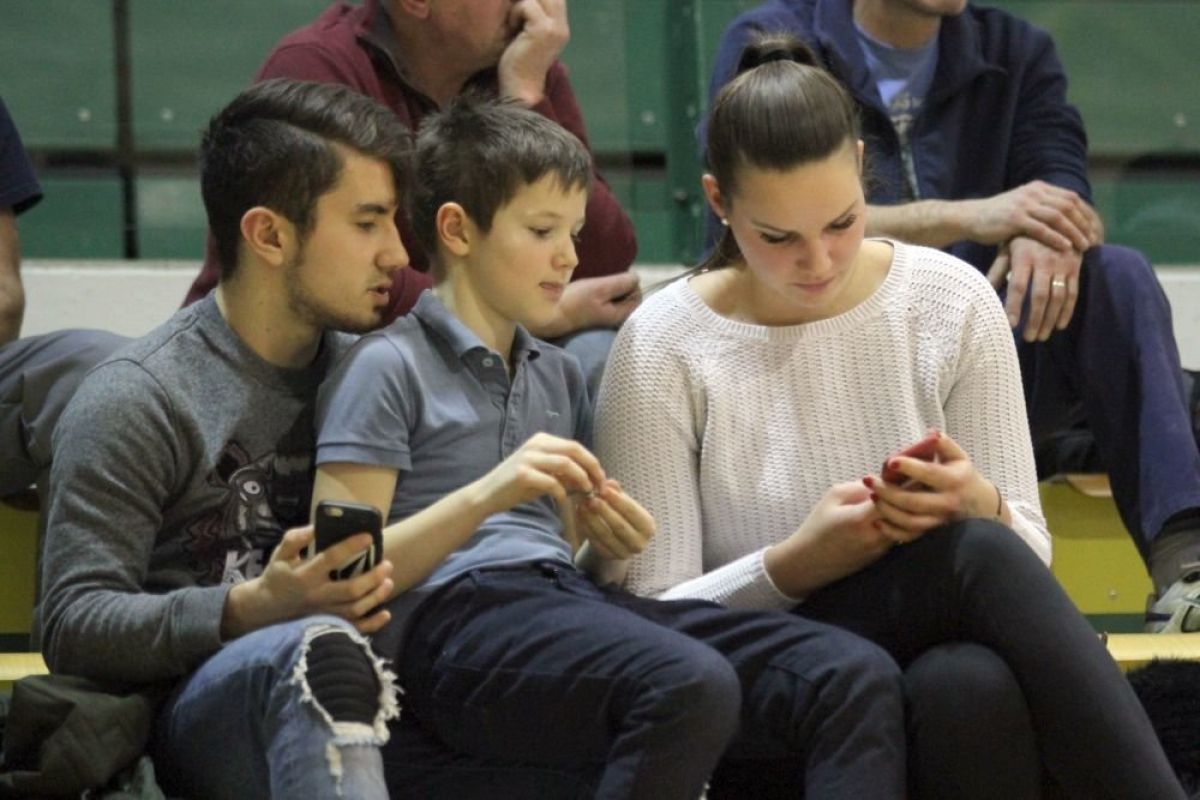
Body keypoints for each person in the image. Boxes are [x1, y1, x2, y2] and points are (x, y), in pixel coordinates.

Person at [595, 35, 1187, 799]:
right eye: (778, 238)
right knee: (974, 557)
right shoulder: (663, 342)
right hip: (753, 672)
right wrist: (795, 564)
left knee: (966, 683)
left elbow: (1027, 560)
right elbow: (649, 622)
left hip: (911, 648)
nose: (818, 262)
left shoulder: (949, 298)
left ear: (862, 173)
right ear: (718, 203)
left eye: (841, 223)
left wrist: (982, 502)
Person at [312, 94, 911, 799]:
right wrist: (488, 495)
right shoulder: (387, 365)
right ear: (457, 229)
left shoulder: (557, 373)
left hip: (557, 599)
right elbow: (338, 571)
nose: (568, 257)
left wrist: (608, 547)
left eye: (572, 233)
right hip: (447, 624)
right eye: (542, 230)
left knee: (849, 674)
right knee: (686, 680)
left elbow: (563, 565)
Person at [707, 0, 1200, 627]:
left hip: (987, 357)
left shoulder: (1016, 50)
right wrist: (974, 216)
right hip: (831, 361)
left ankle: (1185, 567)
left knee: (1117, 277)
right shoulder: (775, 42)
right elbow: (749, 236)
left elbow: (1065, 196)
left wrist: (1043, 234)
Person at [36, 79, 414, 799]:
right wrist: (246, 608)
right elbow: (73, 622)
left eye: (394, 221)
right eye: (368, 223)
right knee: (320, 655)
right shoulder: (141, 396)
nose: (397, 254)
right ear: (269, 235)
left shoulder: (379, 376)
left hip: (371, 692)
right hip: (180, 723)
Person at [183, 0, 641, 396]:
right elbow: (331, 268)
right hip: (326, 342)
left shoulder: (523, 62)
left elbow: (602, 258)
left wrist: (523, 96)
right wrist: (530, 314)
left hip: (444, 340)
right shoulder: (318, 65)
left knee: (594, 355)